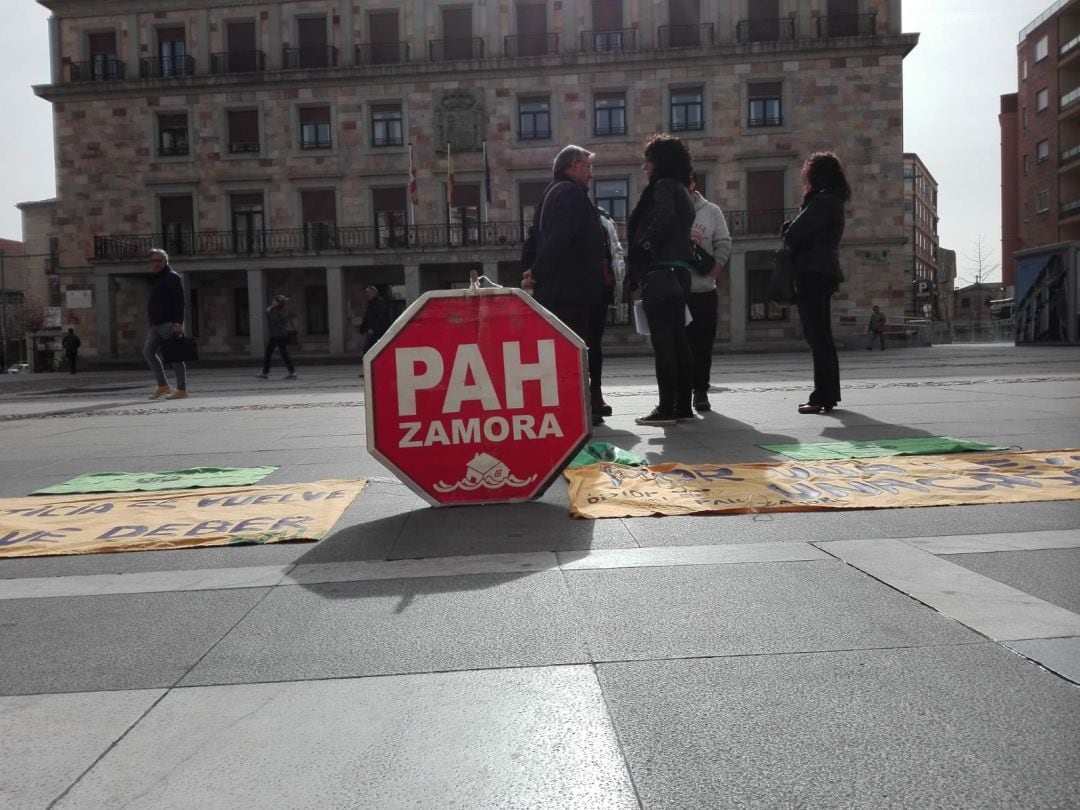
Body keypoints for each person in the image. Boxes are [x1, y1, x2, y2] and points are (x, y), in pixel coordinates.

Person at [520, 144, 607, 424]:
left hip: (556, 290)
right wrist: (538, 271)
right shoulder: (570, 193)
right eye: (588, 166)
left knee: (560, 352)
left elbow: (533, 238)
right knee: (573, 352)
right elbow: (562, 237)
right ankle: (575, 411)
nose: (591, 174)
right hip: (572, 290)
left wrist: (531, 271)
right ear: (574, 166)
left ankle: (569, 408)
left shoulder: (548, 193)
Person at [626, 133, 696, 426]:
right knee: (679, 341)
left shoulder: (664, 186)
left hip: (662, 271)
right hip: (679, 271)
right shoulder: (683, 189)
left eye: (648, 161)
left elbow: (663, 219)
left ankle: (666, 407)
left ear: (659, 162)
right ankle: (683, 406)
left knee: (664, 343)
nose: (645, 168)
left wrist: (644, 248)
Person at [783, 152, 851, 414]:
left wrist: (789, 228)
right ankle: (828, 394)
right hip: (823, 272)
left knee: (817, 337)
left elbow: (795, 234)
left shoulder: (822, 201)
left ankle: (822, 395)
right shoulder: (833, 200)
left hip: (813, 272)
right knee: (823, 337)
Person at [686, 172, 732, 412]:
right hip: (678, 291)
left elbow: (724, 242)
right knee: (679, 345)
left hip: (704, 290)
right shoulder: (669, 210)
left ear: (693, 183)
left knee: (703, 344)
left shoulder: (711, 211)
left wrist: (713, 271)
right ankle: (680, 393)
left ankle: (700, 390)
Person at [590, 208, 624, 419]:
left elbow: (614, 252)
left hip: (597, 290)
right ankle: (584, 399)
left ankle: (595, 396)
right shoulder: (561, 208)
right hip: (573, 291)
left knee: (593, 345)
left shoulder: (601, 217)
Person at [143, 248, 188, 399]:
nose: (155, 264)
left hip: (168, 323)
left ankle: (181, 389)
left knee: (174, 356)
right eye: (153, 261)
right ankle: (163, 385)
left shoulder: (172, 277)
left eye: (158, 261)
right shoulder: (157, 278)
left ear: (165, 262)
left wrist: (178, 322)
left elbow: (179, 302)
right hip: (155, 324)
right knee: (148, 352)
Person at [256, 295, 297, 380]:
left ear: (278, 303)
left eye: (274, 301)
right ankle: (292, 372)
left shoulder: (275, 311)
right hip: (282, 335)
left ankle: (265, 372)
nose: (272, 302)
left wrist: (267, 312)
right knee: (284, 354)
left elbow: (272, 322)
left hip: (276, 335)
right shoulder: (283, 310)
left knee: (268, 353)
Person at [358, 285, 393, 375]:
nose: (367, 295)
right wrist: (362, 328)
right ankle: (370, 370)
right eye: (366, 293)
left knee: (370, 350)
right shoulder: (371, 303)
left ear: (374, 293)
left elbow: (380, 318)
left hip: (379, 332)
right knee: (368, 350)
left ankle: (376, 370)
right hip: (372, 331)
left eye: (368, 293)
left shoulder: (380, 303)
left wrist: (373, 329)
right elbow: (367, 317)